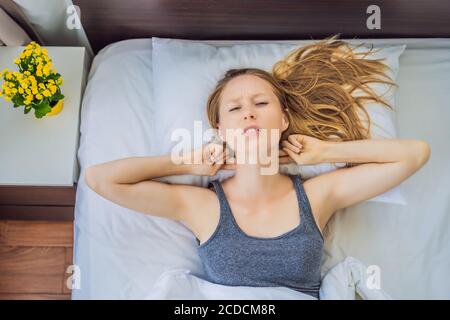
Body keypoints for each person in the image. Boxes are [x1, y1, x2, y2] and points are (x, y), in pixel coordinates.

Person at [85, 35, 430, 299]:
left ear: (282, 120)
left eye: (261, 103)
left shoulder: (318, 195)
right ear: (220, 130)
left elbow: (414, 154)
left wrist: (325, 152)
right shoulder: (201, 206)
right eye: (234, 108)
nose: (248, 111)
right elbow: (100, 179)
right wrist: (183, 162)